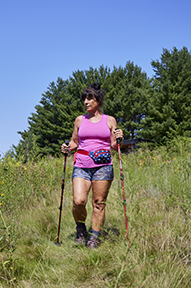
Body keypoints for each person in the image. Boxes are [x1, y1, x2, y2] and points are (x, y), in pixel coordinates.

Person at [61, 82, 123, 249]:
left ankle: (94, 238)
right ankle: (81, 230)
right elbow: (74, 142)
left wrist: (119, 139)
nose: (86, 102)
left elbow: (115, 147)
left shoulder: (109, 120)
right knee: (79, 201)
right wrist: (67, 148)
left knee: (98, 202)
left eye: (90, 98)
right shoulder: (80, 120)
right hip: (81, 165)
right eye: (84, 99)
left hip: (103, 166)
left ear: (99, 100)